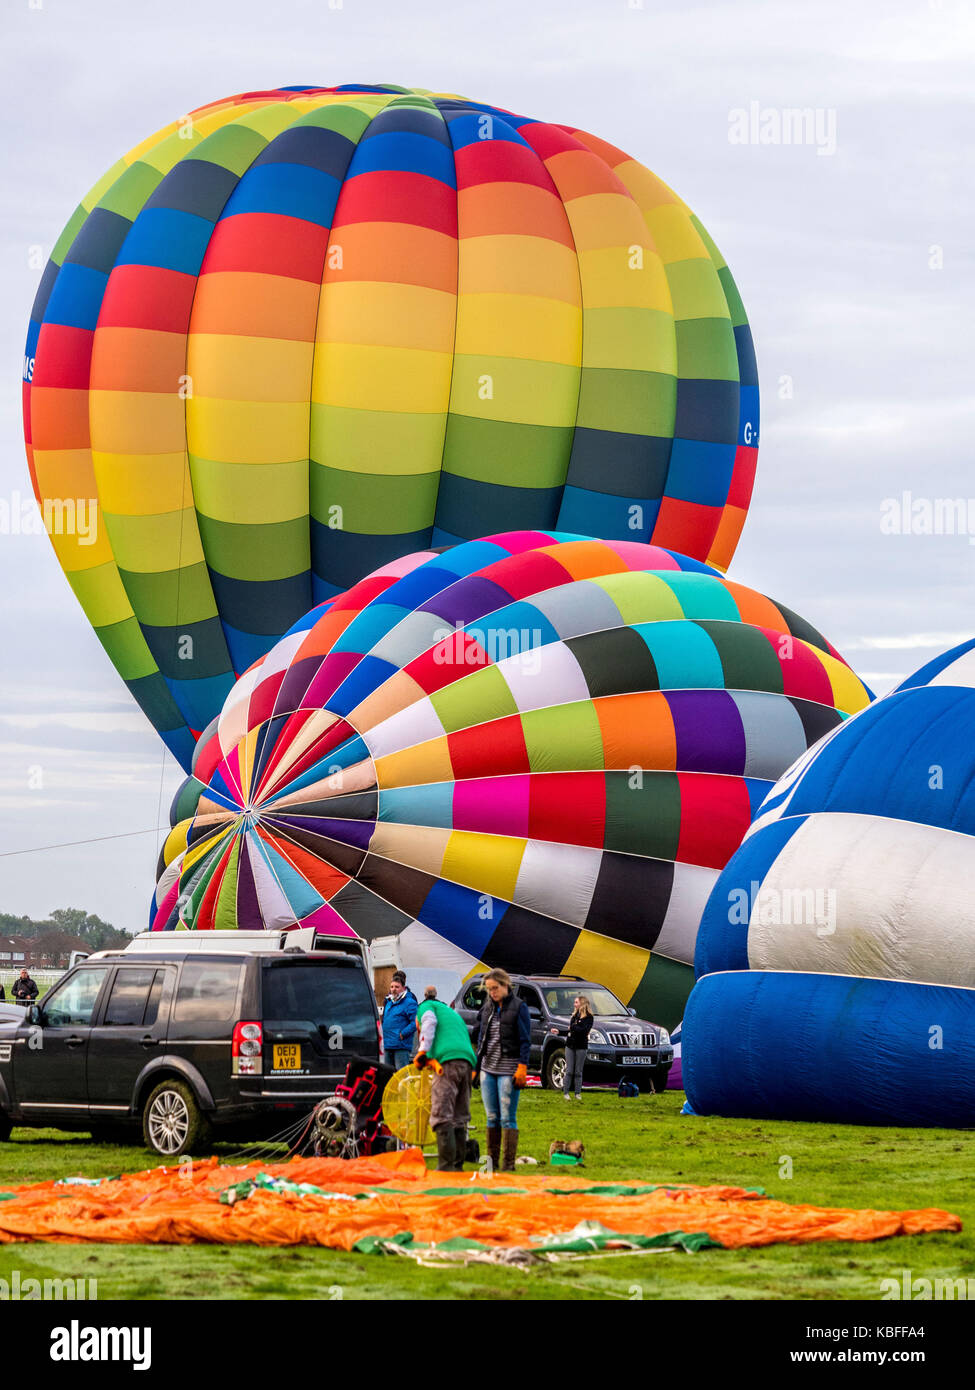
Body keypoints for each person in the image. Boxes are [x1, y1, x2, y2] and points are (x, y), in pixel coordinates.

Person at [475, 969, 531, 1172]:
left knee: (507, 1116)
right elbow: (482, 1039)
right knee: (491, 1116)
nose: (492, 993)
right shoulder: (488, 1007)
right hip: (488, 1068)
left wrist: (522, 1067)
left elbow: (525, 1040)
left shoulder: (519, 1007)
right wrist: (476, 1066)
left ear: (505, 985)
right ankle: (492, 1163)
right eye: (489, 989)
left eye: (495, 988)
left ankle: (508, 1165)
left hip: (509, 1069)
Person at [414, 997, 478, 1171]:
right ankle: (458, 1165)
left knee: (442, 1113)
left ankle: (445, 1166)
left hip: (447, 1063)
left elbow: (428, 1022)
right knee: (459, 1115)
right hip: (467, 1062)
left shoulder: (426, 1007)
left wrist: (422, 1052)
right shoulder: (452, 1014)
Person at [381, 972, 417, 1070]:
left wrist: (403, 1033)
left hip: (400, 1045)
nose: (393, 989)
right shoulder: (388, 1002)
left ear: (403, 988)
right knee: (387, 1074)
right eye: (392, 987)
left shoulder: (409, 1003)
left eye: (397, 987)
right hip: (388, 1044)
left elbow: (415, 1022)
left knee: (401, 1074)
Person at [563, 994, 594, 1100]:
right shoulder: (574, 1016)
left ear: (582, 1004)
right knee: (569, 1070)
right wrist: (559, 1032)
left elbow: (584, 1030)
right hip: (570, 1045)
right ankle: (566, 1092)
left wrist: (573, 1027)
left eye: (576, 1002)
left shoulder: (589, 1018)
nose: (574, 1004)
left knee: (578, 1071)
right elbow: (571, 1030)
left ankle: (577, 1093)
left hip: (581, 1046)